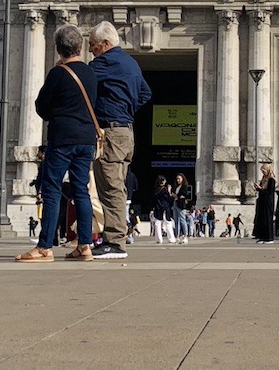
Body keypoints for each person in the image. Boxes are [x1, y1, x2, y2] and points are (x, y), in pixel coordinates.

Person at [16, 24, 98, 262]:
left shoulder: (58, 73)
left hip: (62, 139)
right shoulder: (91, 73)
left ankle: (44, 247)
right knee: (81, 191)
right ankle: (85, 245)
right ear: (80, 47)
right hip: (86, 139)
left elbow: (41, 107)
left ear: (58, 49)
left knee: (51, 190)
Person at [87, 21, 152, 260]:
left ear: (105, 44)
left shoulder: (104, 63)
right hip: (126, 132)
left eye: (93, 45)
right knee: (117, 185)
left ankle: (115, 241)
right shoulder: (131, 63)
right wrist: (126, 109)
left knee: (110, 186)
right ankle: (113, 238)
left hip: (111, 133)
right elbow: (146, 93)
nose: (91, 50)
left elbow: (81, 79)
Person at [253, 164, 276, 244]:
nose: (263, 173)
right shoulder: (263, 179)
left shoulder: (271, 180)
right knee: (262, 219)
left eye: (264, 171)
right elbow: (262, 190)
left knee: (267, 219)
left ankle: (269, 238)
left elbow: (270, 192)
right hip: (262, 201)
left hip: (268, 202)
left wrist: (260, 189)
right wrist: (257, 188)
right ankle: (262, 237)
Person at [150, 175, 176, 244]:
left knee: (158, 223)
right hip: (165, 207)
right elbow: (169, 199)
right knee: (168, 223)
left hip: (157, 207)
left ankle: (158, 239)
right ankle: (171, 238)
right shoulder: (165, 190)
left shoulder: (156, 189)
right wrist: (169, 191)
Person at [173, 173, 193, 244]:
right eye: (177, 179)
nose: (178, 180)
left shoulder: (184, 186)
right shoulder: (176, 187)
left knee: (182, 220)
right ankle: (177, 236)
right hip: (175, 203)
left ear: (182, 179)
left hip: (181, 205)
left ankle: (185, 236)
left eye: (179, 179)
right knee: (176, 220)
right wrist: (177, 196)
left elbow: (183, 194)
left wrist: (177, 196)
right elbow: (177, 196)